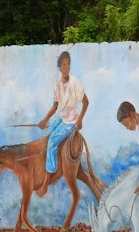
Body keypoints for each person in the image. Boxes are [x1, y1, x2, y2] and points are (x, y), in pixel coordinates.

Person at [36, 51, 89, 197]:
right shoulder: (58, 85)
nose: (67, 67)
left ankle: (46, 182)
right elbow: (54, 107)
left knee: (52, 142)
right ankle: (47, 164)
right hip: (61, 116)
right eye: (64, 64)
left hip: (71, 120)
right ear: (60, 67)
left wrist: (80, 120)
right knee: (48, 131)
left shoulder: (75, 83)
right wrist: (44, 121)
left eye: (68, 64)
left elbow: (86, 102)